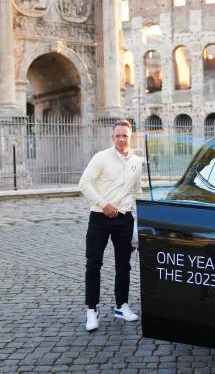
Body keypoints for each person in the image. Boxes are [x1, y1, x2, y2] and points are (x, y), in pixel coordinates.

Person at [78, 120, 142, 331]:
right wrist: (103, 204)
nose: (121, 139)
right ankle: (91, 309)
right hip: (99, 218)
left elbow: (136, 190)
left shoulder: (136, 161)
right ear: (112, 137)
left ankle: (121, 305)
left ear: (131, 136)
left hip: (124, 219)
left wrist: (134, 215)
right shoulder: (101, 158)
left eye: (125, 135)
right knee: (93, 264)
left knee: (124, 265)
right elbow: (84, 184)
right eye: (118, 136)